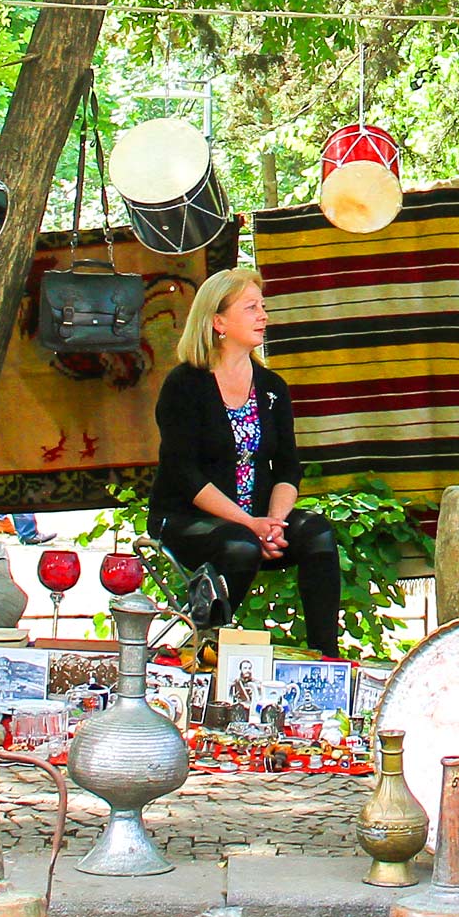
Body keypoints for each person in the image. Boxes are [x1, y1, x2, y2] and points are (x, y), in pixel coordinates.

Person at [149, 265, 345, 654]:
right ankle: (204, 649)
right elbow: (183, 473)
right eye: (251, 307)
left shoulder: (272, 388)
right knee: (240, 545)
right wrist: (249, 525)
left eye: (263, 306)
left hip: (255, 521)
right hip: (188, 520)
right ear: (218, 321)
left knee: (317, 532)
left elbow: (288, 468)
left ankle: (327, 656)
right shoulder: (184, 385)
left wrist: (271, 523)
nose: (264, 316)